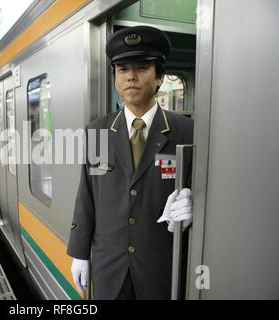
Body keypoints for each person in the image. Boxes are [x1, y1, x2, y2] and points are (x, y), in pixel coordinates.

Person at [67, 26, 194, 300]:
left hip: (161, 269)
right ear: (115, 78)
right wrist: (79, 253)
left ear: (159, 77)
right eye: (123, 69)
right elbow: (87, 196)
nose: (131, 76)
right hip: (109, 267)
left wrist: (198, 205)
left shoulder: (186, 132)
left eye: (142, 67)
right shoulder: (97, 131)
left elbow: (201, 189)